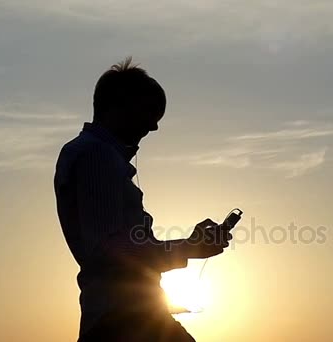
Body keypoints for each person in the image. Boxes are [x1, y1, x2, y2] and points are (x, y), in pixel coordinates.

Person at [54, 57, 232, 341]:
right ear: (119, 104)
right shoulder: (96, 155)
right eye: (149, 113)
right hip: (124, 323)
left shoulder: (92, 154)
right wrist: (187, 247)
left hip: (127, 319)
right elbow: (107, 248)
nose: (153, 127)